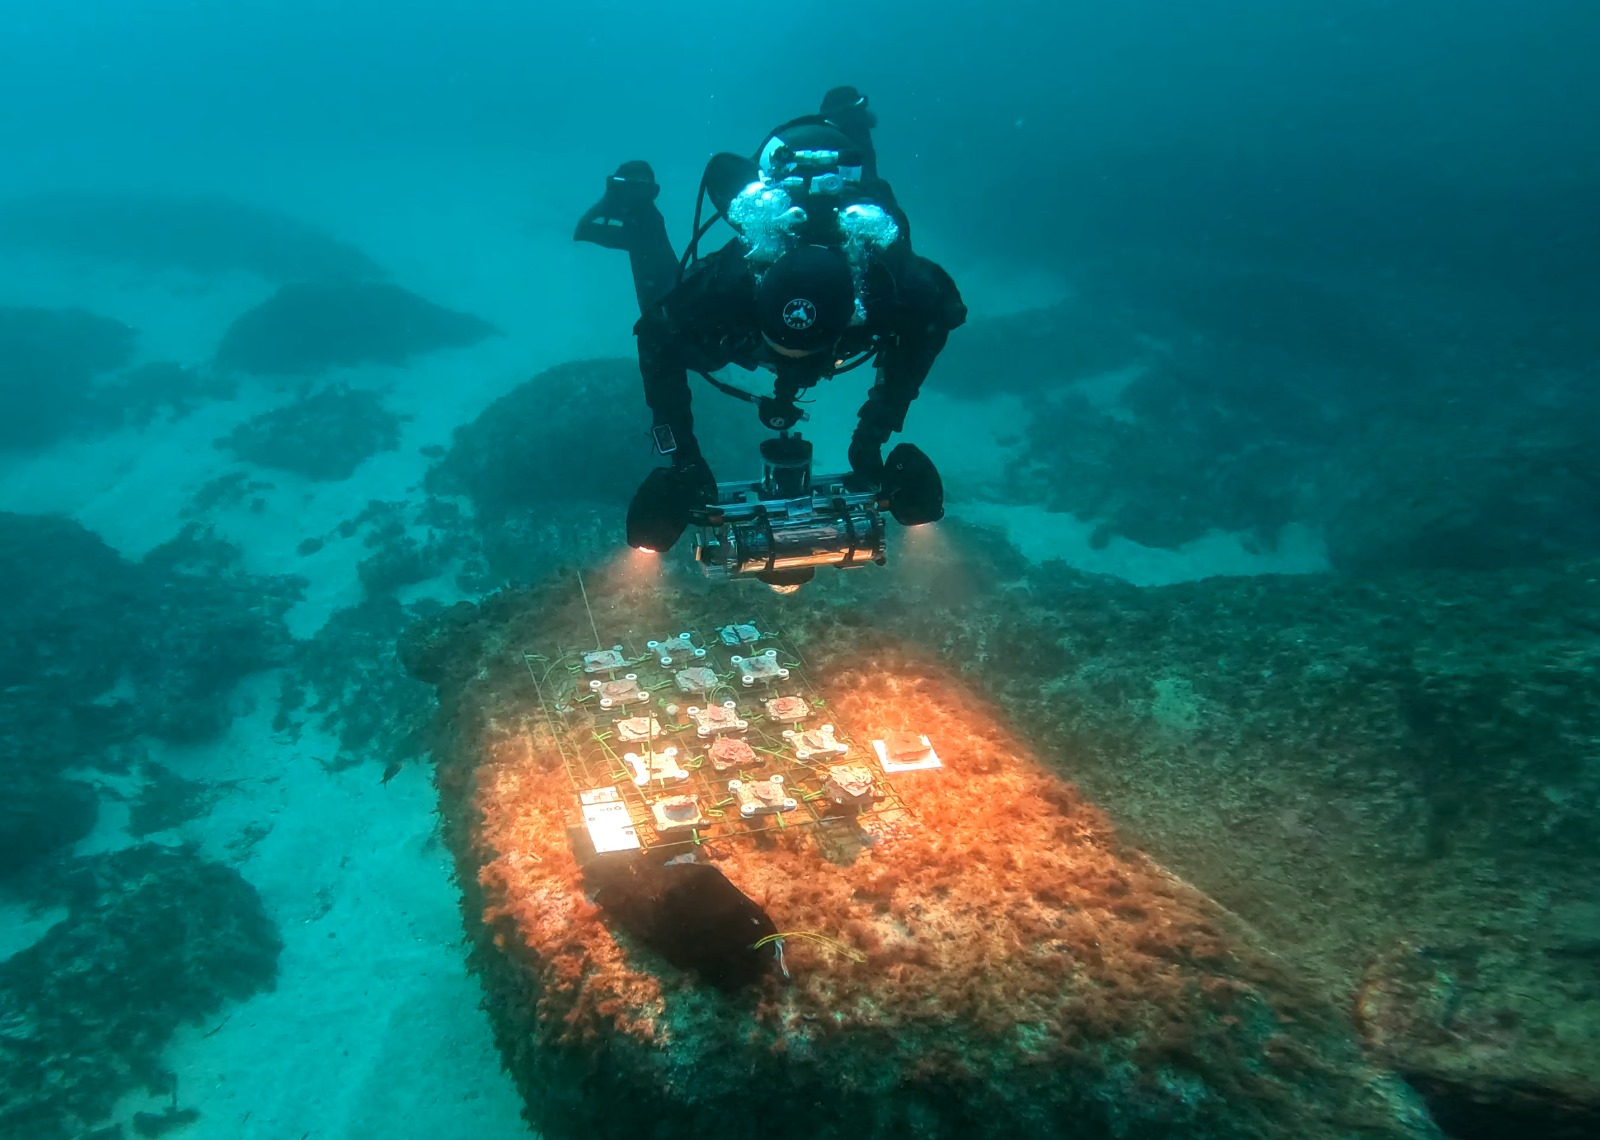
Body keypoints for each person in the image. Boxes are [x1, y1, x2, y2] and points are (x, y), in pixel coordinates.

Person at [575, 88, 967, 554]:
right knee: (665, 303)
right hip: (759, 281)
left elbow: (930, 330)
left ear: (852, 316)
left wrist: (873, 434)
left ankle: (846, 122)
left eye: (805, 354)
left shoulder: (891, 285)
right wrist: (682, 456)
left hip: (854, 229)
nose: (792, 367)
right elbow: (655, 336)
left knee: (865, 186)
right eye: (782, 351)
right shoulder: (732, 283)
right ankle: (639, 213)